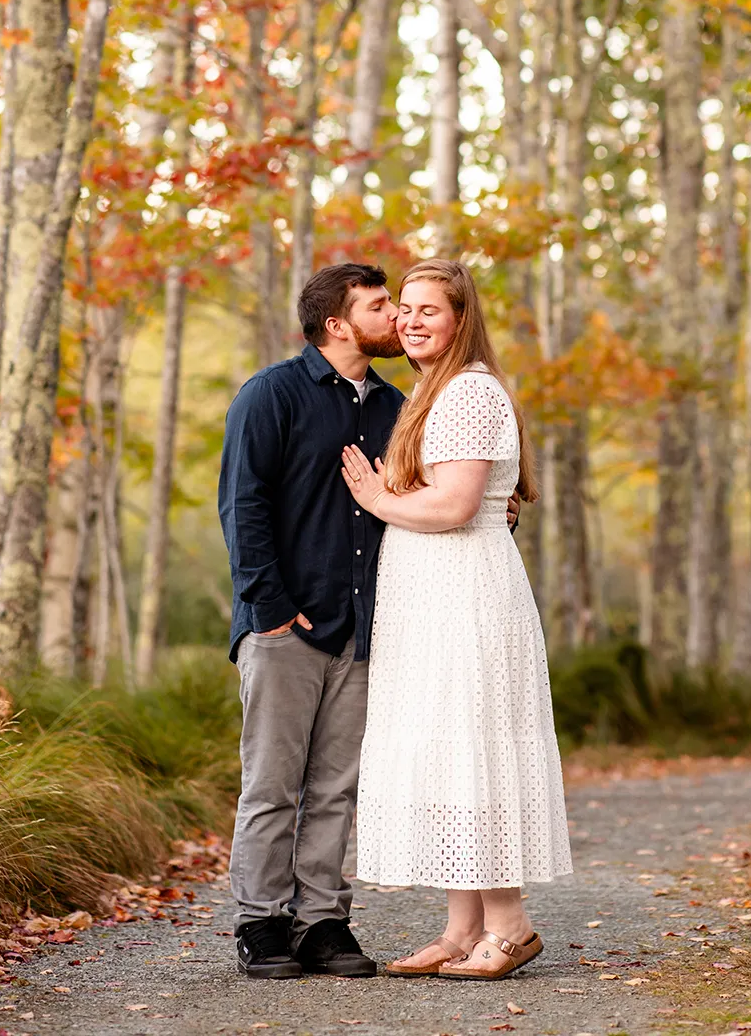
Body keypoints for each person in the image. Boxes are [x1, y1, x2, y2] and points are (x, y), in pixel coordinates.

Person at [342, 259, 572, 981]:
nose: (410, 320)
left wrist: (378, 501)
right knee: (447, 754)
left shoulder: (469, 392)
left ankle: (511, 926)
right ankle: (461, 926)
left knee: (473, 751)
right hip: (432, 597)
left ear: (461, 318)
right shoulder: (435, 390)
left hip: (465, 596)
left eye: (428, 310)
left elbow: (454, 506)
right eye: (403, 308)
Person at [218, 262, 405, 981]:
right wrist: (269, 610)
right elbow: (243, 504)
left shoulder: (394, 407)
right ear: (337, 322)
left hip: (364, 625)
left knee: (336, 786)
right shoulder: (272, 394)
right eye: (380, 305)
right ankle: (261, 922)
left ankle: (322, 922)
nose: (394, 316)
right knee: (273, 783)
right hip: (285, 628)